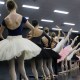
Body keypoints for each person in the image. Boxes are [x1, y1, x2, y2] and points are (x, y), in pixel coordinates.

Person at [0, 0, 41, 80]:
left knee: (11, 67)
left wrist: (4, 39)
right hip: (20, 42)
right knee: (21, 65)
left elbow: (0, 33)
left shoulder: (5, 20)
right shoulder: (21, 17)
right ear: (15, 6)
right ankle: (26, 78)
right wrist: (30, 37)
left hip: (9, 42)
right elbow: (33, 28)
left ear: (8, 8)